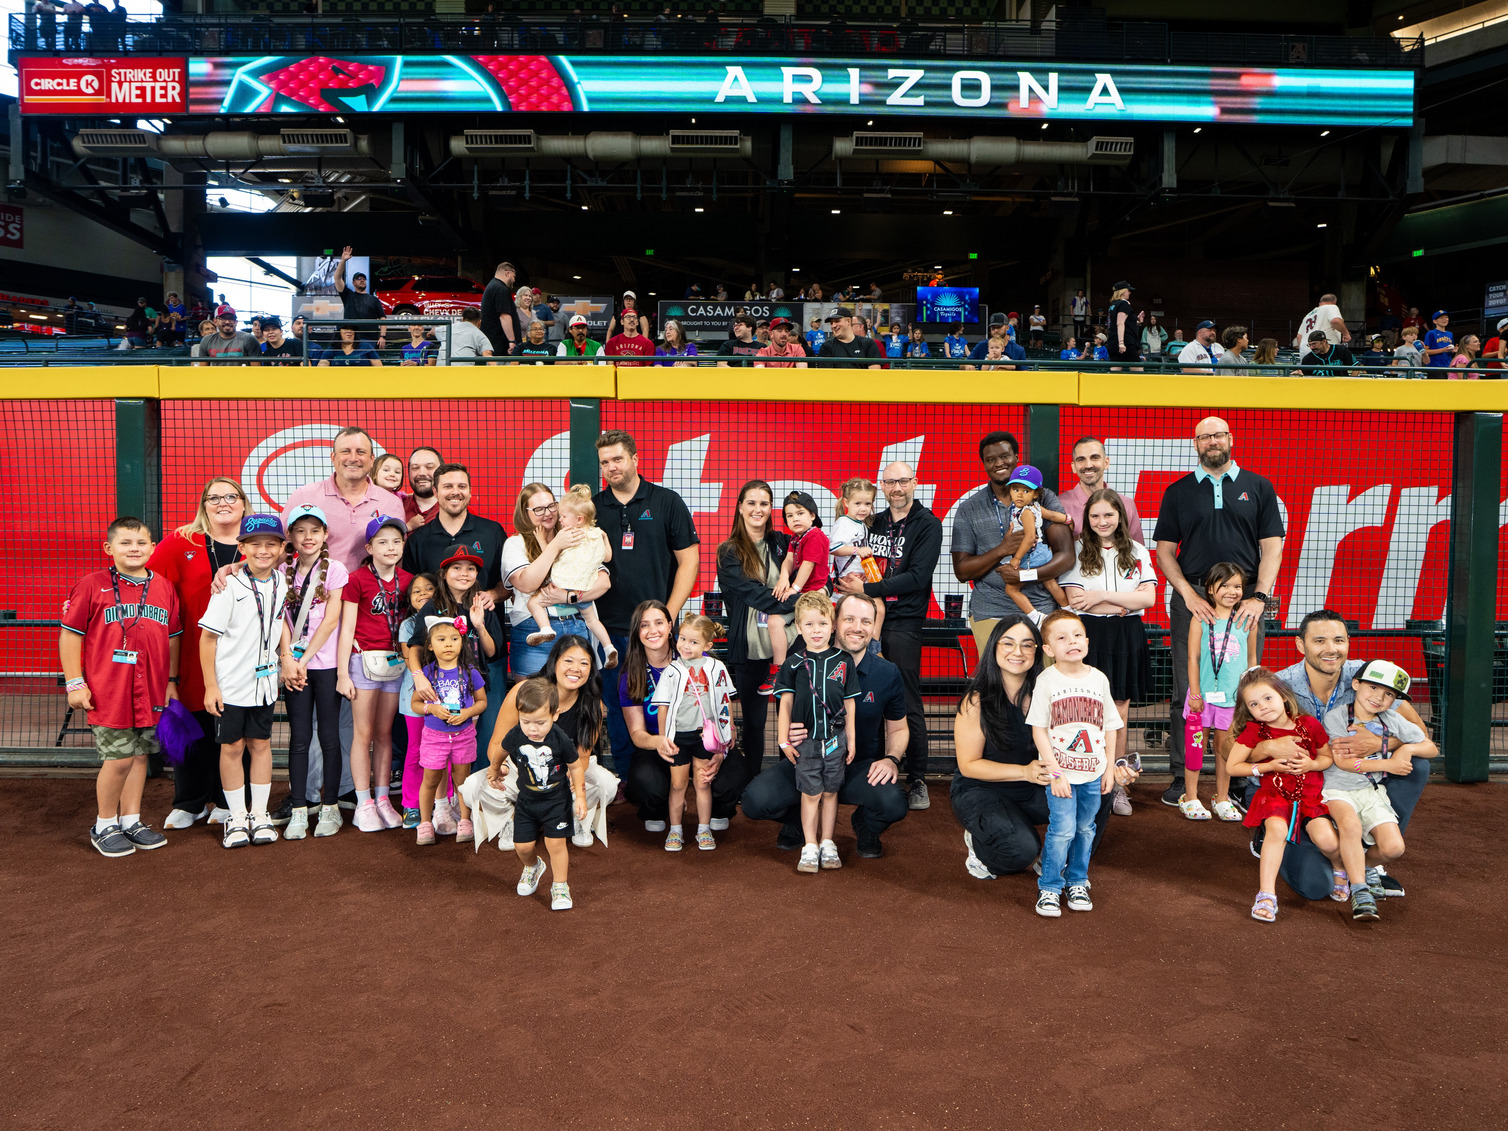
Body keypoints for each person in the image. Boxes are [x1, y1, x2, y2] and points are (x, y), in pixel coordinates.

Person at [1153, 416, 1283, 808]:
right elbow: (1164, 551)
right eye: (1204, 436)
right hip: (1192, 595)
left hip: (1243, 600)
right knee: (1186, 688)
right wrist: (1187, 595)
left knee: (1246, 689)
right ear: (1195, 443)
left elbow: (1272, 546)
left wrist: (1258, 596)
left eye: (1218, 434)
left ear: (1231, 438)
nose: (1212, 441)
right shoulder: (1178, 491)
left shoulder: (1258, 487)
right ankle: (1182, 775)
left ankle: (1241, 778)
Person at [953, 616, 1139, 881]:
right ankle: (981, 840)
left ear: (1039, 651)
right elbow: (968, 765)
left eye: (1027, 645)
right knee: (1019, 851)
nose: (1018, 652)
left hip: (1035, 786)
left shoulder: (1052, 688)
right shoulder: (976, 701)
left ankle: (1058, 861)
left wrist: (1114, 768)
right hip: (983, 790)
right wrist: (1025, 772)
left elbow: (1088, 741)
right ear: (993, 647)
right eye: (1008, 643)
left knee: (1098, 788)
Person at [1263, 610, 1431, 901]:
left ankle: (1369, 861)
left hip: (1348, 780)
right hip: (1298, 787)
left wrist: (1383, 743)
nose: (1331, 648)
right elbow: (1231, 745)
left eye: (1339, 640)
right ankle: (1276, 834)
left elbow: (1419, 732)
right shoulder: (1277, 686)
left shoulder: (1368, 677)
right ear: (1301, 645)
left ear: (1348, 643)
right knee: (1316, 887)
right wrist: (1268, 748)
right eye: (1320, 640)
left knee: (1417, 765)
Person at [62, 516, 181, 857]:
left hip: (151, 690)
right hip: (108, 689)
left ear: (152, 548)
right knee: (118, 759)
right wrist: (75, 683)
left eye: (141, 543)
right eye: (126, 543)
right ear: (109, 548)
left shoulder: (163, 586)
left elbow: (174, 638)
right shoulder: (91, 584)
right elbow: (70, 635)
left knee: (140, 756)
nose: (134, 549)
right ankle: (104, 824)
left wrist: (172, 681)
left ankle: (131, 819)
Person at [834, 460, 943, 811]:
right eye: (891, 482)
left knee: (907, 700)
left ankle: (918, 778)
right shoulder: (873, 521)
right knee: (855, 692)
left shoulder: (927, 525)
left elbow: (917, 576)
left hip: (904, 622)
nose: (897, 488)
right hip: (862, 621)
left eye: (904, 481)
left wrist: (870, 587)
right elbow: (841, 551)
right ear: (882, 486)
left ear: (915, 482)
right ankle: (863, 768)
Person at [592, 430, 700, 778]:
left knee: (676, 706)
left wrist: (666, 616)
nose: (611, 467)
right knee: (620, 709)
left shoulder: (667, 502)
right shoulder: (594, 508)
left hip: (658, 633)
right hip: (611, 632)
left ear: (635, 459)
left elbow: (690, 561)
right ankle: (628, 779)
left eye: (617, 459)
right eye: (605, 462)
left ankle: (677, 777)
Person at [1057, 488, 1154, 819]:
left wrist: (1101, 595)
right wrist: (1123, 601)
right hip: (1090, 634)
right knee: (1086, 708)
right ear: (1087, 519)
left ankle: (1117, 784)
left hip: (1127, 635)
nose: (1102, 521)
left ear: (1121, 517)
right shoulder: (1078, 549)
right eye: (1095, 516)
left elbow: (1149, 600)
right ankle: (1085, 779)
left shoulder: (1138, 550)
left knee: (1119, 709)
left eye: (1108, 515)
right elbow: (1075, 600)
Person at [200, 513, 292, 849]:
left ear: (282, 548)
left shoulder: (281, 582)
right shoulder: (228, 586)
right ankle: (236, 817)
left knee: (261, 745)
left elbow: (279, 621)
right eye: (256, 545)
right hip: (231, 685)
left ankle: (260, 814)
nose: (264, 550)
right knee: (232, 746)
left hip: (265, 685)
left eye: (272, 544)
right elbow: (207, 639)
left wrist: (286, 657)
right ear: (242, 548)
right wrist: (211, 685)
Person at [1224, 668, 1342, 923]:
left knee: (1328, 842)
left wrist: (1311, 765)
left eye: (1268, 698)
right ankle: (1266, 894)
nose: (1263, 707)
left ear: (1283, 696)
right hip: (1275, 795)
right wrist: (1267, 766)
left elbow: (1326, 757)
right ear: (1248, 710)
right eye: (1254, 704)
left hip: (1310, 798)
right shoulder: (1254, 732)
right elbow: (1232, 767)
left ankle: (1340, 867)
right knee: (1276, 830)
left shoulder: (1309, 724)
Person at [1025, 611, 1123, 916]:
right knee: (1063, 829)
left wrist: (1109, 768)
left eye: (1078, 635)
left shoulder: (1099, 679)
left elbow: (1110, 725)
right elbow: (1038, 729)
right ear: (1049, 649)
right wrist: (1054, 771)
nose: (1072, 642)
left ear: (1087, 641)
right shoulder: (1046, 680)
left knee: (1085, 828)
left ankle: (1078, 879)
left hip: (1094, 772)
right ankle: (1050, 886)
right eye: (1062, 637)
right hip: (1062, 774)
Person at [1319, 660, 1433, 919]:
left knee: (1394, 848)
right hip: (1338, 788)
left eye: (1389, 694)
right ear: (1356, 684)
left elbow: (1430, 747)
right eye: (1373, 687)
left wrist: (1406, 748)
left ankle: (1363, 867)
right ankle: (1360, 891)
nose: (1379, 697)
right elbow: (1343, 762)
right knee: (1350, 825)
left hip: (1370, 791)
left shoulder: (1393, 719)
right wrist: (1389, 762)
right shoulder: (1336, 716)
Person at [950, 431, 1073, 653]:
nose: (998, 463)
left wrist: (1023, 575)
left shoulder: (1043, 499)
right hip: (990, 610)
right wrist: (1002, 550)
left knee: (1042, 682)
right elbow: (962, 571)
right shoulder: (970, 509)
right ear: (984, 465)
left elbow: (1066, 558)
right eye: (990, 460)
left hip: (1042, 608)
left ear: (1016, 457)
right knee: (997, 684)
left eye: (1005, 456)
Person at [715, 480, 799, 781]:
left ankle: (791, 780)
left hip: (789, 645)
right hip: (750, 648)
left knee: (793, 718)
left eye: (764, 503)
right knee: (754, 722)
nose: (757, 509)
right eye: (751, 502)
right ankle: (751, 783)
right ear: (739, 507)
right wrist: (804, 602)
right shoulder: (729, 551)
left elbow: (814, 569)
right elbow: (757, 596)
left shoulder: (785, 543)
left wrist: (819, 591)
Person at [772, 592, 861, 874]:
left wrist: (852, 740)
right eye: (808, 625)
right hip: (806, 742)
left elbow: (850, 704)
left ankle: (827, 842)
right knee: (811, 793)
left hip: (836, 740)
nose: (816, 630)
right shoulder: (792, 663)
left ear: (832, 625)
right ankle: (809, 845)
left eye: (822, 624)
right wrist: (782, 738)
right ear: (798, 627)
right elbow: (785, 702)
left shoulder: (844, 660)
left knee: (831, 791)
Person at [334, 515, 412, 833]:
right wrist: (342, 673)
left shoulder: (409, 581)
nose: (390, 547)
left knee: (384, 733)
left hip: (395, 665)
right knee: (362, 733)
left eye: (396, 541)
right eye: (382, 542)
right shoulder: (357, 580)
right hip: (362, 662)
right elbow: (347, 627)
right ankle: (363, 802)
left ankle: (382, 798)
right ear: (369, 547)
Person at [279, 504, 349, 839]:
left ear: (325, 535)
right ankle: (298, 809)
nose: (308, 537)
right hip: (294, 667)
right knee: (300, 738)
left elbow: (332, 619)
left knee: (330, 737)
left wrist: (302, 660)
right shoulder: (282, 569)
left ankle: (331, 807)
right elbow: (279, 618)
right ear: (290, 536)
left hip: (325, 666)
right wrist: (286, 659)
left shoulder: (334, 570)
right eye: (301, 531)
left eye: (315, 531)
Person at [488, 677, 584, 911]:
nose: (532, 729)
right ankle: (533, 866)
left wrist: (580, 795)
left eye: (540, 722)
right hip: (527, 802)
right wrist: (494, 769)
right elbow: (501, 749)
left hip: (556, 802)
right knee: (522, 847)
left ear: (555, 714)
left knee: (556, 844)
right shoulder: (517, 735)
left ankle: (560, 885)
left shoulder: (559, 738)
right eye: (526, 721)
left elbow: (576, 765)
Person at [648, 615, 734, 852]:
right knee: (677, 786)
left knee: (703, 783)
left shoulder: (717, 667)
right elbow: (662, 707)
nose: (685, 645)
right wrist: (665, 737)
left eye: (694, 642)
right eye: (683, 639)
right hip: (679, 737)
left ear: (708, 645)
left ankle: (703, 829)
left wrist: (728, 731)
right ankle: (675, 830)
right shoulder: (672, 670)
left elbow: (725, 702)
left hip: (704, 736)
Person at [1180, 562, 1258, 822]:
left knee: (1226, 749)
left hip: (1232, 699)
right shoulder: (1200, 618)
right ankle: (1190, 796)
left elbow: (1251, 662)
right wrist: (1195, 695)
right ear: (1211, 589)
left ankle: (1221, 798)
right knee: (1196, 746)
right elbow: (1192, 658)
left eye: (1237, 586)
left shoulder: (1248, 621)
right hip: (1201, 698)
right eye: (1225, 585)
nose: (1232, 591)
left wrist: (1249, 697)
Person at [283, 427, 404, 573]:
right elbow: (282, 548)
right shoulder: (303, 496)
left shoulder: (391, 503)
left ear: (372, 459)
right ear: (333, 457)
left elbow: (396, 559)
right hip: (316, 592)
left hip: (368, 594)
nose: (353, 458)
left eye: (361, 452)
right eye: (345, 451)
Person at [520, 485, 616, 666]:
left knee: (533, 602)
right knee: (593, 620)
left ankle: (545, 628)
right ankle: (609, 646)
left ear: (579, 519)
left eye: (563, 516)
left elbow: (552, 556)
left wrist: (543, 540)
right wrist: (605, 539)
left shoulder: (568, 534)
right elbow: (607, 557)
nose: (561, 520)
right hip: (585, 587)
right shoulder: (598, 533)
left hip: (563, 583)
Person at [410, 616, 486, 845]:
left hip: (463, 735)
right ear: (431, 645)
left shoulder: (470, 671)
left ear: (462, 642)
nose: (448, 644)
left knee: (462, 780)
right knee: (430, 779)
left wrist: (468, 712)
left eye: (454, 639)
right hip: (434, 737)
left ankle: (465, 820)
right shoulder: (426, 673)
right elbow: (415, 704)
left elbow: (482, 702)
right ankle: (425, 823)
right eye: (441, 639)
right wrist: (432, 708)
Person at [761, 489, 829, 692]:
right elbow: (788, 560)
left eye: (800, 513)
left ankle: (791, 671)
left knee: (782, 620)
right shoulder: (795, 538)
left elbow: (808, 565)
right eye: (789, 516)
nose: (794, 519)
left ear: (812, 515)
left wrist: (794, 588)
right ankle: (779, 669)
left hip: (812, 595)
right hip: (801, 594)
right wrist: (783, 577)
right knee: (774, 621)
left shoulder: (815, 535)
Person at [396, 573, 439, 828]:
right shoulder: (409, 625)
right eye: (416, 591)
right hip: (415, 696)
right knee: (416, 750)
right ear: (410, 600)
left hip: (447, 695)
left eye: (429, 588)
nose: (423, 593)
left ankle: (444, 801)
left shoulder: (449, 620)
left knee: (446, 750)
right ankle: (411, 804)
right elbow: (410, 656)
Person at [998, 465, 1070, 616]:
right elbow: (1051, 515)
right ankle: (1069, 610)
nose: (1019, 495)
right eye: (1015, 489)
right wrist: (1067, 519)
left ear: (1036, 493)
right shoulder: (1036, 507)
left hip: (1031, 556)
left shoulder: (1025, 512)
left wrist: (1017, 558)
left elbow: (1030, 537)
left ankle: (1034, 616)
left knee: (1011, 589)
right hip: (1042, 553)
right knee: (1050, 583)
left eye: (1026, 491)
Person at [828, 478, 884, 647]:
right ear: (846, 502)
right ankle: (872, 650)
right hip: (848, 581)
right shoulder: (843, 523)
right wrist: (856, 550)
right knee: (858, 616)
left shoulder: (861, 524)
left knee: (874, 611)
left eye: (867, 504)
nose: (863, 508)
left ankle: (870, 649)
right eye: (858, 503)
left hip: (860, 579)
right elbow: (834, 548)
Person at [1058, 436, 1144, 542]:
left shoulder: (1126, 505)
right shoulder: (1060, 505)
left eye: (1095, 458)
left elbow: (1136, 553)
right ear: (1074, 467)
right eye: (1081, 460)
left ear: (1106, 463)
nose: (1088, 465)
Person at [333, 246, 386, 351]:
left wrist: (382, 336)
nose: (362, 280)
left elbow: (382, 318)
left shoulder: (374, 299)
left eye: (364, 279)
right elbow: (337, 277)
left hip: (370, 339)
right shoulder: (348, 295)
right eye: (359, 279)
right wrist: (343, 260)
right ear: (353, 282)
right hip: (351, 339)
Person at [817, 308, 883, 367]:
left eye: (837, 321)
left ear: (848, 321)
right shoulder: (826, 347)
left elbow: (874, 372)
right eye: (831, 323)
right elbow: (827, 375)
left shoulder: (868, 344)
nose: (833, 326)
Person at [479, 261, 519, 356]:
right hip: (499, 345)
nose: (514, 280)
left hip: (494, 342)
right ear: (507, 273)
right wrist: (512, 340)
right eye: (514, 277)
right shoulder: (500, 289)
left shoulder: (492, 286)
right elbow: (504, 316)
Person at [1105, 281, 1140, 368]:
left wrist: (1137, 321)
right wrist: (1121, 343)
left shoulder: (1113, 305)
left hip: (1112, 341)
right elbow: (1120, 323)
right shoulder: (1124, 304)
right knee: (1137, 368)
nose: (1130, 293)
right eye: (1128, 290)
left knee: (1115, 369)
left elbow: (1121, 322)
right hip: (1126, 341)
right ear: (1122, 291)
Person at [318, 324, 382, 366]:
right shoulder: (332, 350)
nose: (349, 331)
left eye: (351, 329)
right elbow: (321, 368)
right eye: (345, 328)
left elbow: (379, 368)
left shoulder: (366, 347)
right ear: (338, 332)